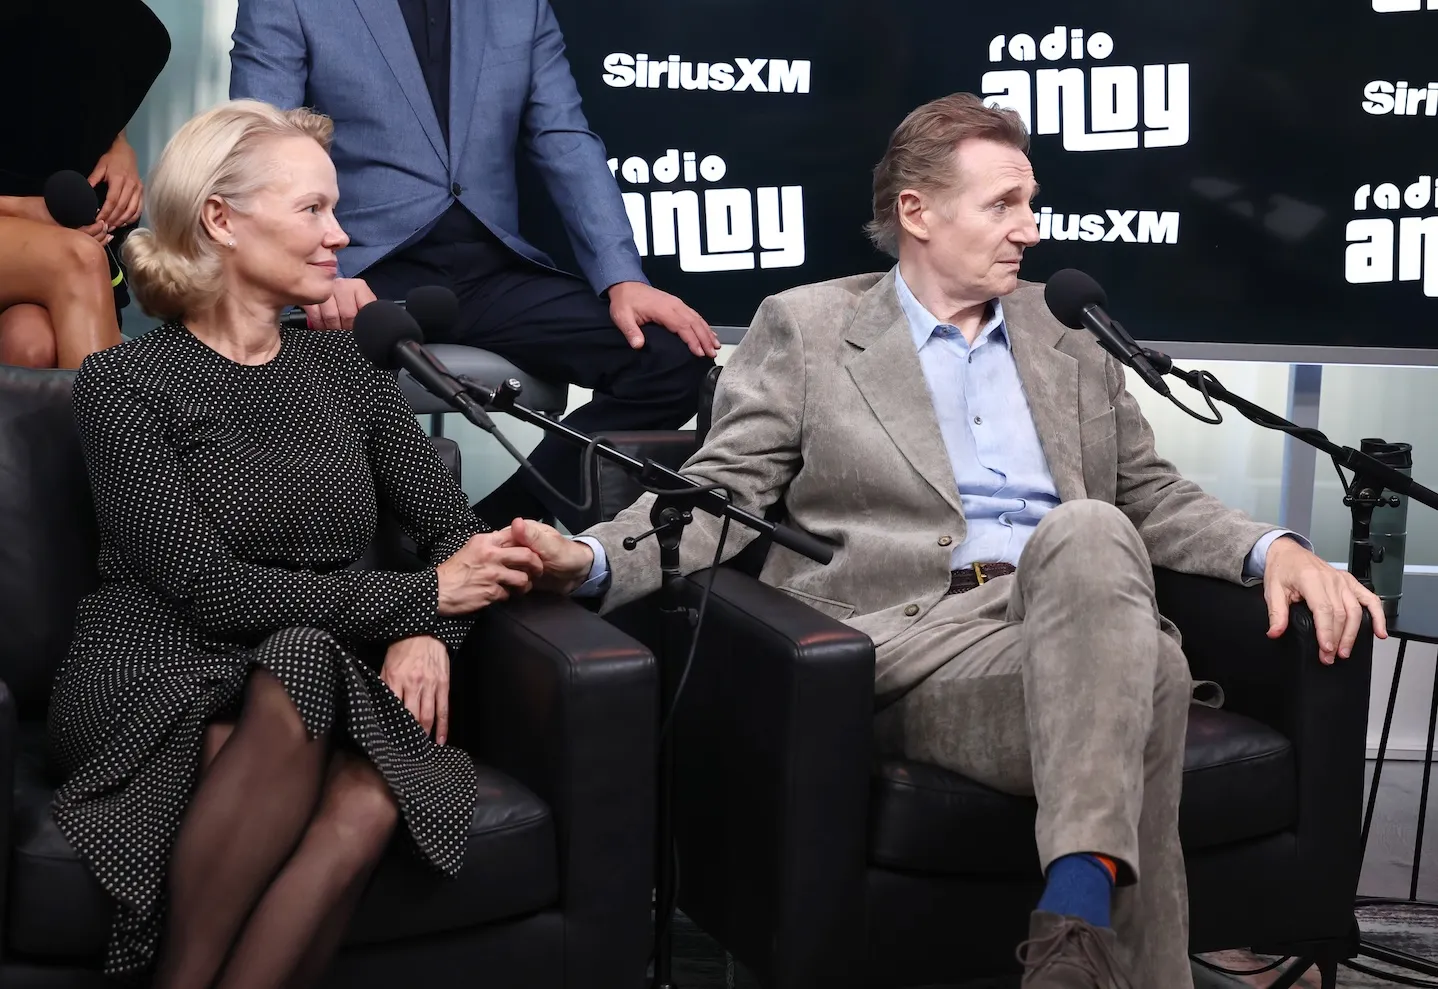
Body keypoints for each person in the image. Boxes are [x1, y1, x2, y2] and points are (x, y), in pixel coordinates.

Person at [500, 93, 1388, 988]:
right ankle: (1089, 918)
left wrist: (1272, 546)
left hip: (1068, 618)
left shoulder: (1066, 329)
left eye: (1031, 203)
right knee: (1146, 668)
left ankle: (1072, 927)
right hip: (908, 646)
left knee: (1093, 540)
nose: (1030, 229)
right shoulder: (806, 327)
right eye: (1004, 204)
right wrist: (597, 557)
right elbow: (721, 492)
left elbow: (1148, 492)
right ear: (917, 212)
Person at [47, 99, 544, 987]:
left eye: (334, 210)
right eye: (314, 209)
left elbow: (455, 537)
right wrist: (421, 599)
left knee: (369, 792)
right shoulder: (121, 381)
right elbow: (208, 589)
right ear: (221, 219)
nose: (341, 236)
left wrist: (428, 631)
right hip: (156, 668)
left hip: (308, 671)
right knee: (313, 667)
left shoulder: (345, 372)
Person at [229, 0, 718, 531]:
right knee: (274, 373)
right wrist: (319, 274)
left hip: (491, 273)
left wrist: (623, 277)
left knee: (669, 358)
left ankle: (498, 527)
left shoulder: (520, 8)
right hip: (363, 270)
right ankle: (369, 564)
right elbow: (260, 147)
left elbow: (565, 140)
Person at [0, 0, 169, 367]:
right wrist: (19, 209)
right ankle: (128, 425)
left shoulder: (136, 28)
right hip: (40, 233)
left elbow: (66, 92)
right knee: (78, 258)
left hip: (36, 246)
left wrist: (116, 141)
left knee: (31, 344)